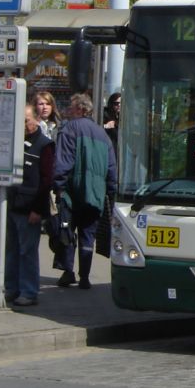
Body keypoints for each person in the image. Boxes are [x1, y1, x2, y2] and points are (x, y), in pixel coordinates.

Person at [52, 92, 117, 289]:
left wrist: (58, 187)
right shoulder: (102, 134)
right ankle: (85, 277)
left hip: (72, 192)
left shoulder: (69, 129)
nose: (68, 111)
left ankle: (68, 271)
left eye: (71, 108)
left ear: (80, 109)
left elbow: (64, 161)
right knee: (88, 234)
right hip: (96, 194)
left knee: (68, 230)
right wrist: (111, 192)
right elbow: (111, 167)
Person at [4, 105, 56, 307]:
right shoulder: (17, 141)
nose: (23, 125)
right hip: (13, 204)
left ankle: (29, 291)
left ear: (35, 120)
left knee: (27, 251)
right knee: (12, 250)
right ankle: (12, 288)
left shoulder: (44, 145)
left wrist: (38, 210)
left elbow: (46, 181)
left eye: (26, 120)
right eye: (21, 120)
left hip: (30, 208)